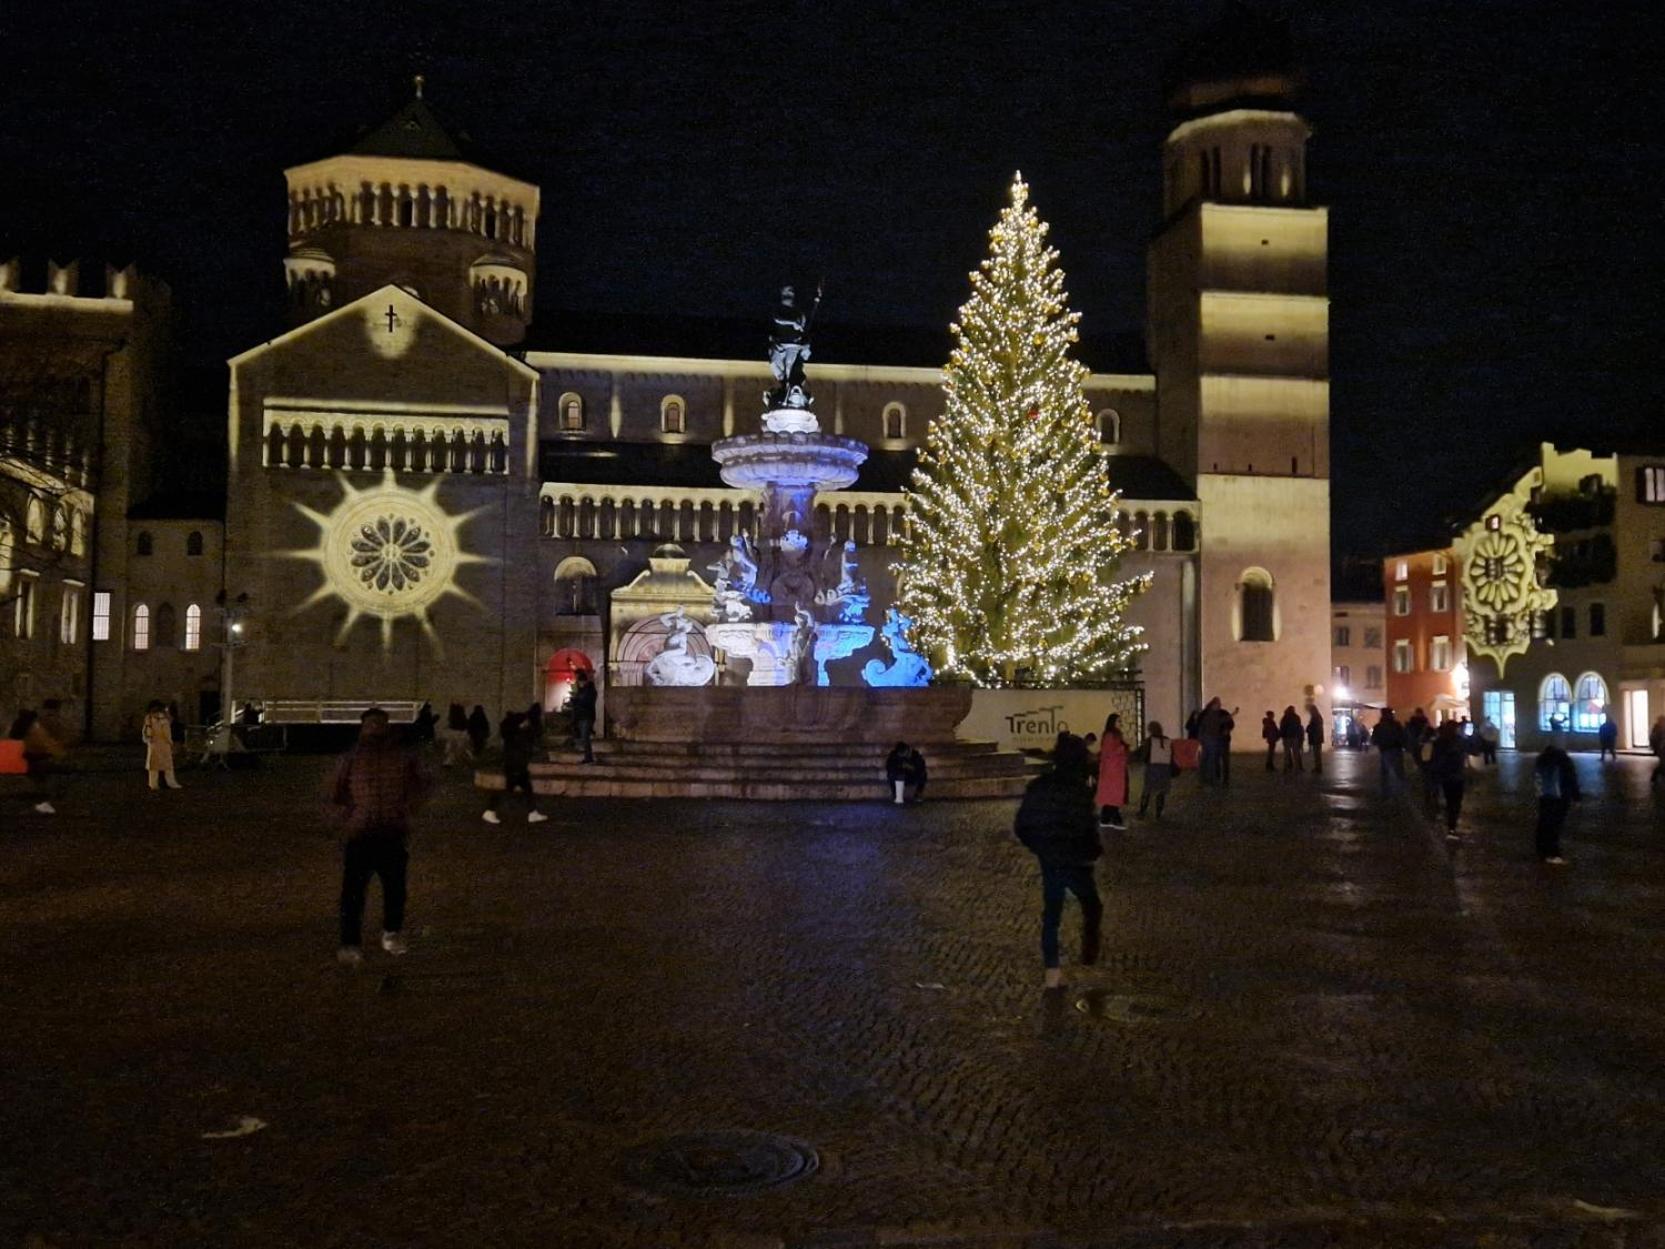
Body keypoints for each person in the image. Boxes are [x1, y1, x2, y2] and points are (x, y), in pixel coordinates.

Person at [331, 708, 428, 966]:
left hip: (392, 833)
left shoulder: (402, 757)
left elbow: (420, 785)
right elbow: (335, 793)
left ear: (386, 726)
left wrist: (407, 812)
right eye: (370, 723)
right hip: (360, 834)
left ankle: (392, 933)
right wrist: (348, 818)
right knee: (353, 893)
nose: (374, 728)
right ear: (363, 727)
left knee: (395, 890)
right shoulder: (351, 758)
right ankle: (350, 943)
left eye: (379, 723)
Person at [1014, 732, 1103, 991]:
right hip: (1075, 859)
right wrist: (1092, 850)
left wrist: (1040, 846)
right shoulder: (1079, 791)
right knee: (1092, 905)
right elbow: (1087, 827)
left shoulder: (1040, 786)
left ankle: (1052, 971)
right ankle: (1088, 951)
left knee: (1052, 913)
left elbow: (1022, 824)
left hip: (1051, 857)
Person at [483, 711, 548, 825]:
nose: (527, 722)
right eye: (525, 721)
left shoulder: (513, 734)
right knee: (507, 789)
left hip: (516, 766)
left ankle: (532, 812)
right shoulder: (518, 736)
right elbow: (522, 750)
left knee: (525, 789)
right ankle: (490, 810)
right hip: (516, 767)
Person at [1533, 733, 1581, 865]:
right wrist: (1576, 797)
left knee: (1544, 823)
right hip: (1560, 797)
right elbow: (1571, 779)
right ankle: (1552, 853)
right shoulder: (1563, 760)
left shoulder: (1541, 759)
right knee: (1555, 825)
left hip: (1545, 796)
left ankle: (1542, 851)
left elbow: (1537, 779)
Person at [9, 707, 65, 814]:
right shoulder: (35, 728)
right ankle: (45, 802)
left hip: (34, 757)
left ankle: (43, 802)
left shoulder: (28, 728)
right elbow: (46, 744)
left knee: (40, 780)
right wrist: (59, 754)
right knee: (45, 779)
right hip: (40, 757)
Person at [1427, 720, 1469, 839]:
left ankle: (1451, 825)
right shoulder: (1458, 741)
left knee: (1451, 801)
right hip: (1455, 776)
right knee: (1455, 802)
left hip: (1447, 776)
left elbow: (1433, 759)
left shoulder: (1439, 742)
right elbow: (1471, 749)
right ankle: (1451, 825)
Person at [1095, 713, 1130, 830]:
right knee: (1113, 795)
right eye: (1118, 721)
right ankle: (1115, 819)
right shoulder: (1110, 735)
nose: (1121, 724)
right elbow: (1107, 752)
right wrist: (1121, 749)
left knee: (1112, 795)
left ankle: (1105, 818)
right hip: (1112, 771)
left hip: (1116, 770)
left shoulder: (1116, 735)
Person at [1136, 720, 1173, 819]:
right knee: (1161, 791)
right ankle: (1159, 812)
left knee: (1147, 789)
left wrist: (1141, 761)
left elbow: (1144, 755)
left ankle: (1143, 810)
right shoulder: (1167, 740)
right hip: (1164, 768)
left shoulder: (1149, 740)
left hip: (1153, 767)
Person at [142, 700, 181, 792]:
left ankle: (153, 784)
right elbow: (166, 733)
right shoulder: (164, 720)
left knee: (153, 767)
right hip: (163, 745)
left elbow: (145, 731)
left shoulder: (149, 719)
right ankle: (171, 783)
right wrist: (170, 742)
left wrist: (148, 740)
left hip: (153, 744)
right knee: (167, 767)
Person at [1371, 708, 1407, 797]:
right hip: (1396, 750)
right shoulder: (1396, 725)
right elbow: (1402, 737)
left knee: (1385, 773)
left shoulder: (1378, 726)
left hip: (1385, 751)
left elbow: (1374, 740)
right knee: (1398, 772)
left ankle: (1386, 792)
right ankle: (1400, 792)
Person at [568, 669, 598, 764]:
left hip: (586, 716)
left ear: (583, 681)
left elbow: (586, 701)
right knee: (584, 737)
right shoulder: (583, 690)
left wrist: (576, 701)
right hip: (582, 716)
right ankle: (587, 756)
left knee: (585, 737)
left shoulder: (589, 690)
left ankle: (588, 757)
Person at [1279, 705, 1304, 772]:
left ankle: (1286, 768)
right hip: (1294, 737)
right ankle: (1297, 768)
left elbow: (1282, 728)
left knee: (1287, 754)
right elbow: (1299, 727)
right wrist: (1299, 737)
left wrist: (1282, 736)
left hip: (1287, 738)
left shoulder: (1285, 717)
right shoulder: (1296, 717)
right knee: (1296, 753)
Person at [1306, 706, 1326, 774]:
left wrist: (1309, 728)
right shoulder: (1317, 717)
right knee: (1317, 754)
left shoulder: (1315, 717)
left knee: (1317, 754)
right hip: (1318, 738)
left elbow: (1314, 728)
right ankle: (1318, 767)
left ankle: (1318, 768)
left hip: (1316, 738)